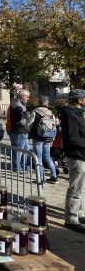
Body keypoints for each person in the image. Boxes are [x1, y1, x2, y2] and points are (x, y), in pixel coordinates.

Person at [61, 89, 85, 233]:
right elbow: (72, 138)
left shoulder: (79, 113)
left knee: (82, 188)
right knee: (76, 188)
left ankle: (80, 213)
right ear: (79, 100)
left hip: (82, 154)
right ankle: (71, 218)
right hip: (76, 156)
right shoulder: (70, 114)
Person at [29, 95, 58, 184]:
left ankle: (40, 179)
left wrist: (29, 132)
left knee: (38, 158)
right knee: (47, 157)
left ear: (39, 102)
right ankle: (54, 176)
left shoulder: (35, 112)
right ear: (47, 103)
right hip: (48, 137)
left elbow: (29, 123)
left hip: (38, 137)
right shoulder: (51, 113)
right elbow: (54, 125)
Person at [9, 89, 33, 171]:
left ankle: (25, 165)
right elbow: (21, 119)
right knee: (19, 150)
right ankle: (17, 167)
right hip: (19, 131)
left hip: (23, 130)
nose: (28, 99)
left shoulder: (20, 104)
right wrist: (28, 114)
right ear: (23, 96)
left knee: (26, 149)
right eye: (28, 97)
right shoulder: (17, 105)